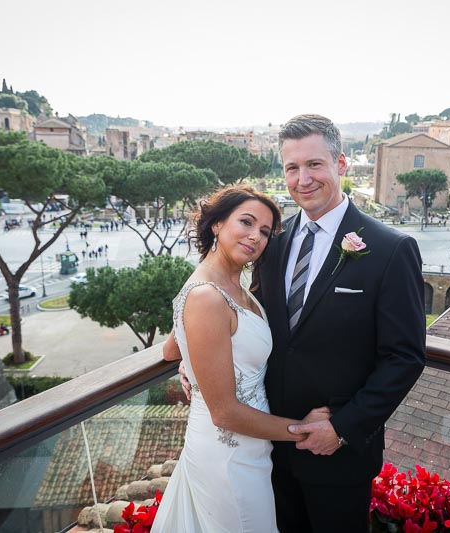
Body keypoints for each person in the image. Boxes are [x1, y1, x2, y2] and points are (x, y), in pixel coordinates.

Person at [170, 115, 426, 531]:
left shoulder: (390, 250)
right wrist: (196, 361)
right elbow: (233, 308)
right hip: (264, 449)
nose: (303, 179)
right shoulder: (272, 242)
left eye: (314, 165)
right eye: (292, 168)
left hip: (336, 458)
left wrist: (341, 429)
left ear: (341, 164)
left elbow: (405, 358)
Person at [153, 185, 328, 532]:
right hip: (227, 455)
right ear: (217, 224)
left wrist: (191, 358)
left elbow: (171, 349)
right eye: (246, 222)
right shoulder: (207, 296)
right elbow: (225, 412)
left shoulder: (231, 284)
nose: (255, 237)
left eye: (264, 231)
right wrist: (303, 431)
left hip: (251, 447)